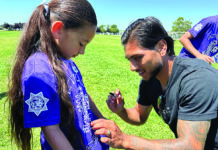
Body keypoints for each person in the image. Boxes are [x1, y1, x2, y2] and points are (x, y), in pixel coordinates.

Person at [91, 17, 218, 150]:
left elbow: (191, 146)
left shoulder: (197, 80)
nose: (132, 67)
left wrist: (125, 140)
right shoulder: (150, 80)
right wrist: (120, 110)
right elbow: (139, 116)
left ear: (161, 47)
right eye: (129, 59)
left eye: (138, 57)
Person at [8, 0, 109, 150]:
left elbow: (82, 93)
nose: (83, 52)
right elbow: (50, 129)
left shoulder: (66, 61)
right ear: (58, 30)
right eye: (82, 43)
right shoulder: (39, 70)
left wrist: (102, 119)